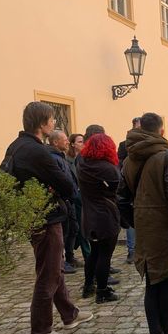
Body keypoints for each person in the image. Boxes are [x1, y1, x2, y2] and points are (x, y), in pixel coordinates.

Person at [0, 101, 92, 334]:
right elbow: (68, 186)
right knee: (48, 274)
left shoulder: (16, 146)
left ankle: (69, 314)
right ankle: (40, 332)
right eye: (52, 119)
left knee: (54, 267)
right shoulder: (37, 152)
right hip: (46, 219)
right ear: (42, 124)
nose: (54, 123)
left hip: (34, 217)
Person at [120, 112, 168, 334]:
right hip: (162, 225)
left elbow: (121, 197)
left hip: (143, 224)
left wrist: (135, 221)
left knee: (151, 281)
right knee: (165, 280)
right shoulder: (164, 158)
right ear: (161, 131)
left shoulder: (129, 158)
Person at [77, 133, 121, 304]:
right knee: (105, 255)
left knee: (94, 253)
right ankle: (102, 291)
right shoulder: (107, 169)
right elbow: (117, 190)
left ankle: (89, 285)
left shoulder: (82, 165)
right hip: (105, 216)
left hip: (89, 215)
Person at [47, 130, 79, 275]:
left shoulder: (61, 157)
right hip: (62, 200)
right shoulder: (53, 158)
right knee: (64, 232)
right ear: (55, 142)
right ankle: (62, 261)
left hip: (69, 199)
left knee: (73, 229)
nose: (67, 142)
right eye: (64, 139)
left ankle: (70, 257)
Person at [118, 117, 141, 264]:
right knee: (132, 219)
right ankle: (132, 251)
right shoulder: (124, 144)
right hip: (131, 183)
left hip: (145, 184)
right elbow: (121, 162)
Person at [66, 133, 90, 263]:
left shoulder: (86, 158)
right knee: (79, 228)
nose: (83, 144)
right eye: (80, 142)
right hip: (75, 199)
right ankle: (87, 256)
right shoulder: (67, 160)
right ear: (73, 144)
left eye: (83, 141)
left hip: (84, 197)